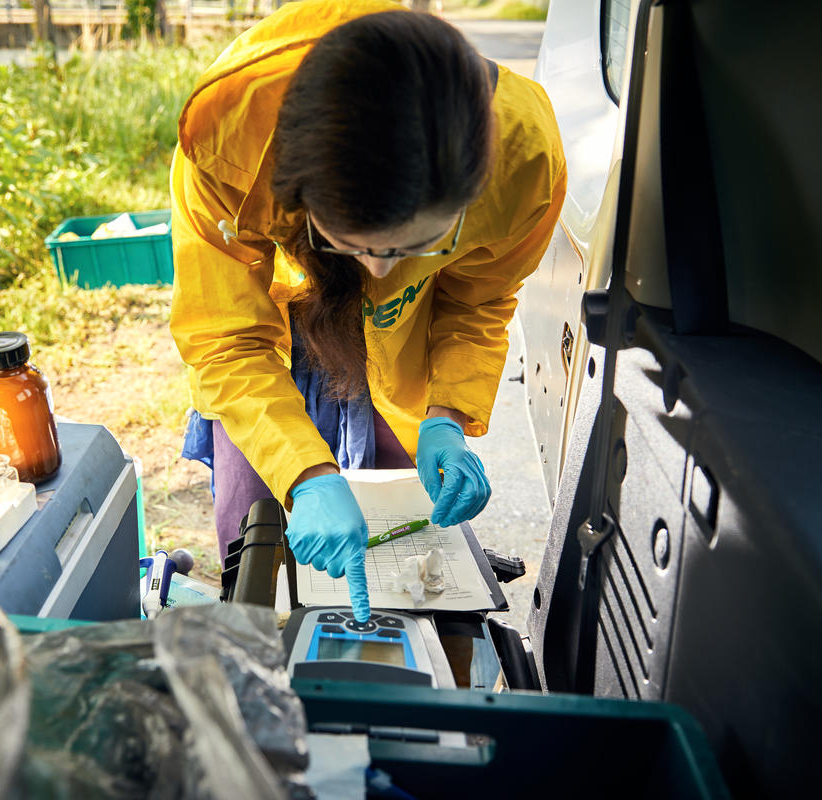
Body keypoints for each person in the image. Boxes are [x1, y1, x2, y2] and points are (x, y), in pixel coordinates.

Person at [170, 0, 566, 622]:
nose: (380, 273)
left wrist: (446, 416)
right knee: (255, 527)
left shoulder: (524, 162)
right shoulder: (230, 141)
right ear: (298, 191)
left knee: (402, 534)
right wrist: (306, 477)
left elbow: (477, 299)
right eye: (354, 246)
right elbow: (226, 339)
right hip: (275, 320)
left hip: (400, 340)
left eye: (417, 245)